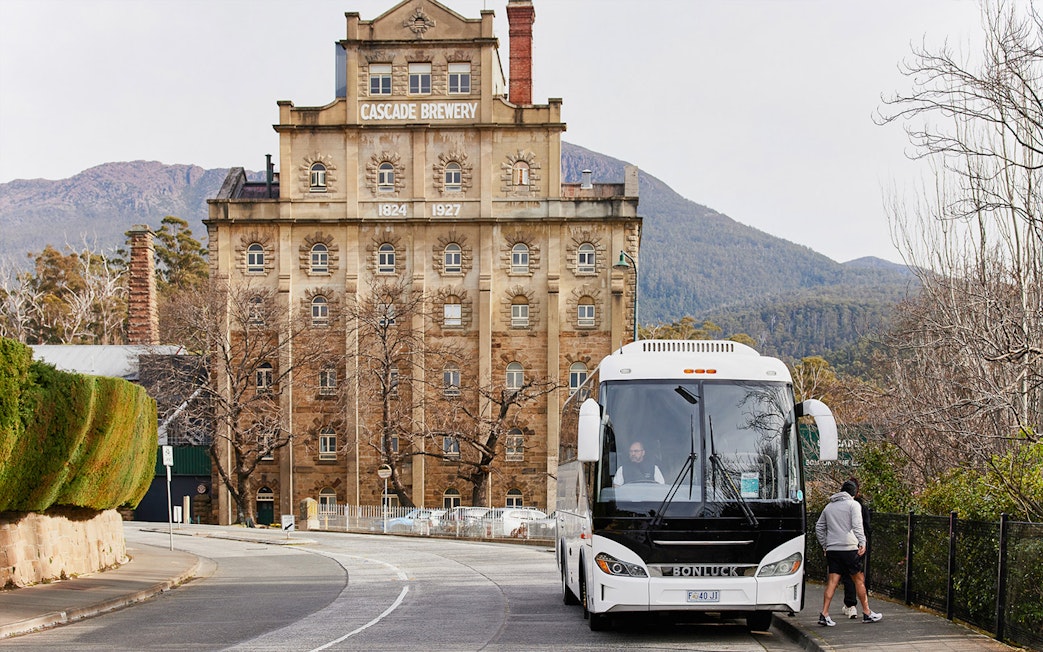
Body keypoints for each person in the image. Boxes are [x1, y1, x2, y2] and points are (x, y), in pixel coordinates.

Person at [814, 479, 882, 626]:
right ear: (853, 493)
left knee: (832, 582)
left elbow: (819, 527)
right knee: (858, 580)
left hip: (833, 549)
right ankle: (867, 612)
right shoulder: (853, 505)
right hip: (849, 548)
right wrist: (862, 542)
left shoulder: (829, 507)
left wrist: (825, 545)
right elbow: (857, 525)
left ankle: (824, 614)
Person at [840, 477, 870, 619]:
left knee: (846, 576)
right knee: (858, 576)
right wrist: (863, 541)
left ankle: (850, 605)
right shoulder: (861, 506)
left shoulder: (839, 506)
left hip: (844, 544)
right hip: (859, 544)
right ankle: (865, 608)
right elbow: (866, 527)